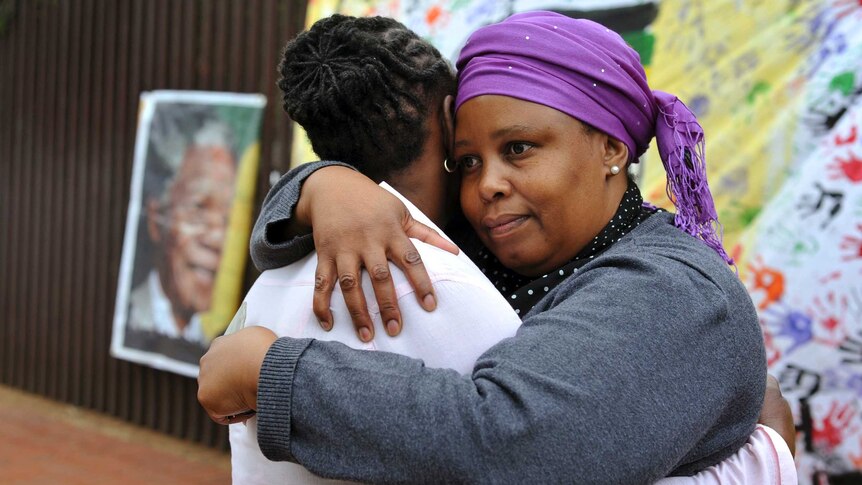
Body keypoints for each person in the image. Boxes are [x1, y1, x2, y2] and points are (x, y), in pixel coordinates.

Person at [201, 12, 788, 483]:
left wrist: (274, 375)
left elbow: (516, 444)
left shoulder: (671, 287)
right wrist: (321, 186)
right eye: (469, 161)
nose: (486, 185)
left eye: (521, 148)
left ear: (611, 148)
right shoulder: (494, 245)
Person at [228, 15, 521, 484]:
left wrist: (319, 183)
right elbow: (524, 442)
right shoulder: (454, 287)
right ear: (450, 117)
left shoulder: (273, 281)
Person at [128, 119, 235, 349]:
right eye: (199, 207)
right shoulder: (131, 316)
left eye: (227, 219)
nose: (217, 239)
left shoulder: (221, 341)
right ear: (157, 220)